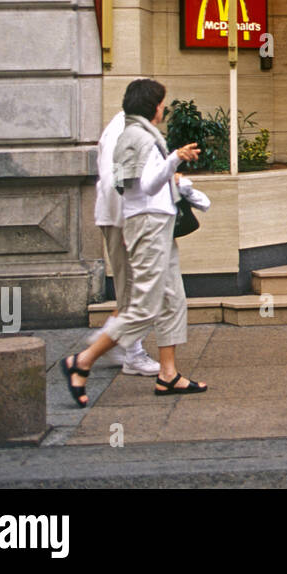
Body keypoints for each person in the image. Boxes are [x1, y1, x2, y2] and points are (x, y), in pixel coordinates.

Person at [62, 79, 209, 406]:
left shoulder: (142, 133)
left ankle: (167, 373)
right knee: (138, 304)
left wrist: (177, 182)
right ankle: (87, 358)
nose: (165, 109)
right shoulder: (127, 134)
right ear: (149, 105)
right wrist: (173, 166)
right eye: (161, 103)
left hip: (154, 223)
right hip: (134, 225)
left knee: (171, 297)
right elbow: (129, 187)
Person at [89, 110, 160, 376]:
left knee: (133, 289)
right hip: (122, 221)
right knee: (132, 290)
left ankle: (110, 340)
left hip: (122, 219)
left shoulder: (125, 128)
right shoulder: (124, 131)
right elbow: (113, 181)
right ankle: (131, 354)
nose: (162, 111)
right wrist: (125, 226)